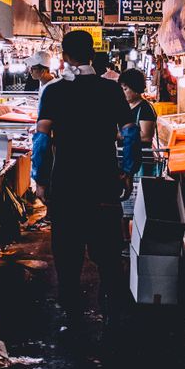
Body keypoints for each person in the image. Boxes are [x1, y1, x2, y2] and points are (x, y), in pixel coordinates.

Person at [33, 30, 139, 326]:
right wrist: (127, 170)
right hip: (104, 185)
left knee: (67, 258)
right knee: (108, 257)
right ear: (92, 54)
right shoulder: (110, 90)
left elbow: (41, 138)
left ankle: (72, 315)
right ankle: (111, 313)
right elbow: (130, 132)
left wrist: (40, 179)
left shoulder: (54, 91)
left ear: (64, 56)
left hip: (66, 187)